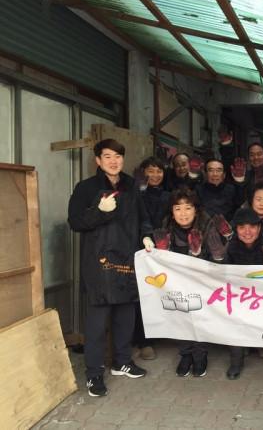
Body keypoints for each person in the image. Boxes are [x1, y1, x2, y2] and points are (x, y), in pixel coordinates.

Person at [68, 139, 149, 397]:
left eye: (118, 156)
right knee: (97, 323)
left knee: (126, 315)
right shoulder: (86, 188)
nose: (114, 161)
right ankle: (94, 374)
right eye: (108, 156)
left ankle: (122, 362)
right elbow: (75, 222)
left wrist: (147, 236)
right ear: (98, 160)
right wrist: (99, 211)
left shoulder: (131, 185)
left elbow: (143, 217)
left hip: (126, 258)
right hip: (99, 262)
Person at [205, 208, 263, 380]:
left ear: (259, 228)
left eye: (252, 227)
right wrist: (218, 259)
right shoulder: (229, 245)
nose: (247, 231)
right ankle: (236, 362)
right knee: (233, 323)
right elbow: (215, 275)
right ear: (236, 229)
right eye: (242, 227)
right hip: (238, 298)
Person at [153, 188, 212, 378]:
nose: (183, 213)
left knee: (200, 318)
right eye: (178, 208)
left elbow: (217, 260)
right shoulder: (165, 228)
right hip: (176, 284)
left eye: (188, 208)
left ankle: (200, 355)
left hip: (202, 283)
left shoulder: (208, 226)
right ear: (172, 212)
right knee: (180, 318)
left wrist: (198, 254)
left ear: (196, 210)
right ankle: (185, 354)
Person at [133, 156, 170, 361]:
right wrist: (139, 192)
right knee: (140, 295)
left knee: (157, 294)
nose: (155, 175)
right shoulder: (134, 193)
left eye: (159, 171)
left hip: (160, 250)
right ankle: (142, 340)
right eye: (151, 170)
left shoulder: (167, 195)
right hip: (139, 249)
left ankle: (154, 336)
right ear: (142, 173)